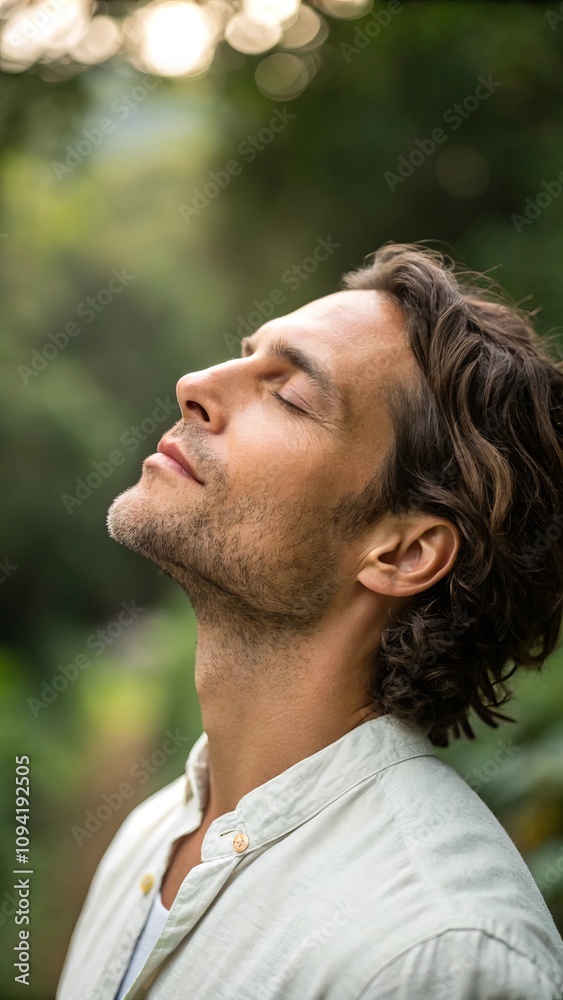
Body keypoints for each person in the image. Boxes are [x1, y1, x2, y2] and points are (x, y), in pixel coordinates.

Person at [57, 243, 563, 1000]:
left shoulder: (438, 957)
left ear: (403, 552)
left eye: (289, 395)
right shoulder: (149, 836)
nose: (193, 384)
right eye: (243, 355)